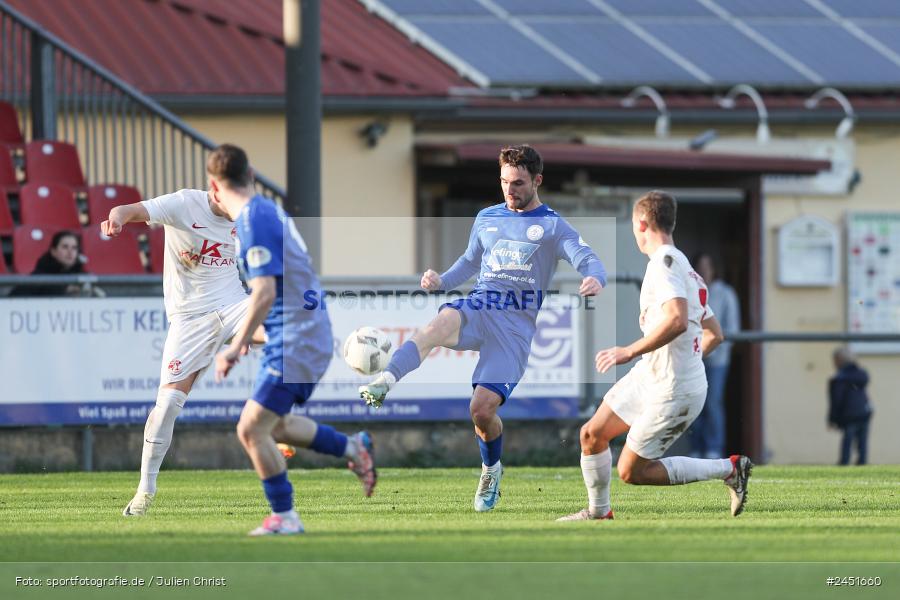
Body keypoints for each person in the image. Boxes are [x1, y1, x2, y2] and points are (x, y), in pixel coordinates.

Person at [359, 144, 607, 512]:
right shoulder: (487, 217)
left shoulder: (553, 226)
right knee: (437, 324)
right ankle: (385, 382)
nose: (511, 189)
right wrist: (441, 281)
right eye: (505, 181)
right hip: (480, 306)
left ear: (537, 181)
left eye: (519, 183)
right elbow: (470, 261)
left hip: (514, 326)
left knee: (481, 410)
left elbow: (586, 257)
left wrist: (594, 278)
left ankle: (491, 469)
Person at [211, 144, 375, 536]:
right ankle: (353, 448)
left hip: (298, 339)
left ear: (214, 189)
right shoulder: (266, 211)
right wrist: (258, 333)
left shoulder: (254, 219)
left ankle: (285, 516)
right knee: (276, 426)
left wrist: (237, 344)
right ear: (250, 173)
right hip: (300, 333)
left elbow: (265, 292)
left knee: (251, 430)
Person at [558, 191, 752, 522]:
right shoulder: (686, 268)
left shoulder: (665, 265)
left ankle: (730, 469)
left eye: (634, 226)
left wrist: (628, 350)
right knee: (592, 435)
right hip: (653, 375)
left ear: (642, 223)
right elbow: (714, 333)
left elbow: (677, 319)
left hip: (672, 386)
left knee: (632, 471)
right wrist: (687, 362)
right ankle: (598, 513)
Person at [102, 171, 265, 516]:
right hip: (189, 320)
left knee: (285, 328)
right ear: (215, 188)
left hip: (234, 305)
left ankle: (280, 420)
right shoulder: (183, 203)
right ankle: (145, 490)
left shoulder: (251, 216)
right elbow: (128, 210)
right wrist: (116, 219)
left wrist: (248, 328)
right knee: (168, 406)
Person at [690, 252, 740, 459]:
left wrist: (712, 347)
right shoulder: (691, 291)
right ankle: (696, 447)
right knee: (694, 403)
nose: (704, 271)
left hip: (717, 360)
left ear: (714, 269)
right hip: (694, 359)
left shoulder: (725, 294)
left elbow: (732, 329)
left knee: (712, 403)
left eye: (707, 267)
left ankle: (714, 448)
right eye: (700, 267)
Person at [828, 347, 873, 465]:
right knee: (862, 442)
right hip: (864, 411)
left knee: (848, 440)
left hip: (849, 414)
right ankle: (862, 463)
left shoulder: (839, 379)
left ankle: (844, 463)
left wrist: (832, 419)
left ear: (839, 360)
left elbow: (836, 400)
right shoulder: (861, 374)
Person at [9, 230, 85, 297]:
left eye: (74, 248)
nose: (70, 252)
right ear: (53, 251)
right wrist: (63, 289)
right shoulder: (39, 276)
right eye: (65, 247)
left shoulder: (83, 276)